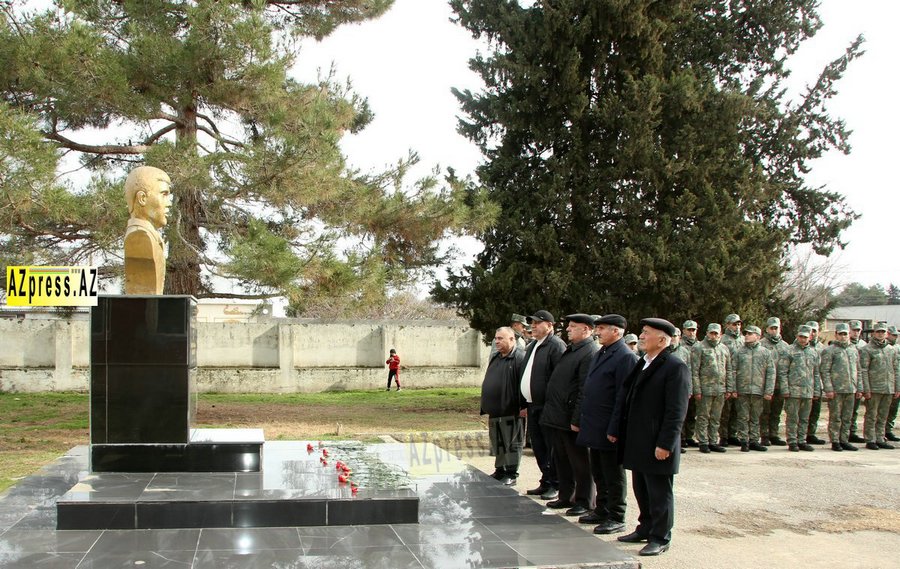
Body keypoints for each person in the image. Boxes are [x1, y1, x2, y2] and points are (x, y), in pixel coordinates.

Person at [615, 318, 690, 556]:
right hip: (639, 441)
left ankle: (660, 536)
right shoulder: (644, 362)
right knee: (642, 489)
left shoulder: (675, 366)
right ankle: (645, 527)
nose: (642, 336)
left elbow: (676, 410)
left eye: (647, 333)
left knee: (659, 493)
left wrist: (665, 443)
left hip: (658, 442)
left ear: (662, 339)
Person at [575, 314, 638, 535]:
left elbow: (623, 396)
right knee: (599, 471)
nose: (597, 332)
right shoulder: (602, 352)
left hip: (609, 426)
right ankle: (601, 509)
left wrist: (615, 427)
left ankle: (616, 515)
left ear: (616, 331)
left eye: (602, 328)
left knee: (613, 474)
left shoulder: (625, 357)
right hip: (595, 424)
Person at [540, 313, 599, 517]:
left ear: (586, 329)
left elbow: (584, 389)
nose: (568, 329)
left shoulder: (589, 352)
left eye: (573, 326)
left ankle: (584, 500)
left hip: (571, 418)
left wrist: (577, 419)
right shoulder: (572, 349)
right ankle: (566, 495)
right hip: (558, 416)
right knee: (562, 459)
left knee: (580, 463)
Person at [520, 310, 566, 499]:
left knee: (551, 447)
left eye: (538, 323)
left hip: (547, 406)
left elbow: (560, 379)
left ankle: (556, 483)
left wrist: (553, 405)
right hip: (532, 405)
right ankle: (546, 480)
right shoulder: (533, 345)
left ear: (549, 325)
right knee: (538, 447)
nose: (533, 326)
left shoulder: (556, 345)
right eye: (532, 322)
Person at [480, 327, 526, 484]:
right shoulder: (496, 356)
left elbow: (524, 384)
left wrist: (523, 406)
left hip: (511, 409)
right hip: (495, 409)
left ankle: (511, 474)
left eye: (501, 338)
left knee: (512, 442)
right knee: (498, 441)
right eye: (496, 338)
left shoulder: (520, 358)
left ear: (512, 339)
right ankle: (500, 470)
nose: (497, 341)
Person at [124, 166, 173, 294]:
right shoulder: (139, 236)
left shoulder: (152, 237)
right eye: (164, 194)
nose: (169, 203)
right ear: (142, 198)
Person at [731, 325, 775, 452]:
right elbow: (732, 371)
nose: (746, 336)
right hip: (742, 390)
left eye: (750, 334)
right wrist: (733, 388)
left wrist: (768, 391)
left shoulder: (765, 352)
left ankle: (754, 440)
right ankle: (744, 441)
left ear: (757, 336)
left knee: (756, 417)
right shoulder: (739, 352)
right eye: (746, 333)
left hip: (758, 390)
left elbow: (771, 372)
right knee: (743, 417)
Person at [691, 323, 733, 453]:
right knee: (703, 416)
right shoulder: (699, 347)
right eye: (711, 333)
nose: (713, 336)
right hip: (705, 389)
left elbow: (729, 369)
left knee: (716, 417)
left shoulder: (724, 348)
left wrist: (729, 388)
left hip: (720, 389)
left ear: (720, 334)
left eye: (716, 333)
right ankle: (703, 442)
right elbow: (694, 371)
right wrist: (697, 389)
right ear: (707, 333)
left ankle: (713, 441)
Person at [819, 323, 861, 451]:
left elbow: (858, 370)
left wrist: (859, 388)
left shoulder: (853, 350)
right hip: (836, 389)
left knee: (847, 417)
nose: (843, 336)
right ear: (836, 335)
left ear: (849, 334)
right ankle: (835, 441)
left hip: (851, 388)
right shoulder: (829, 351)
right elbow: (824, 371)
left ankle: (844, 440)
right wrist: (828, 388)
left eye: (845, 334)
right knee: (835, 417)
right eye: (841, 334)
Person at [858, 322, 900, 450]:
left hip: (888, 388)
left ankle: (880, 438)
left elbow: (896, 369)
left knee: (883, 415)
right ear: (873, 333)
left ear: (887, 334)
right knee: (871, 415)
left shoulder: (891, 350)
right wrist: (866, 389)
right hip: (874, 388)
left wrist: (897, 387)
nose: (881, 334)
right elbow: (863, 370)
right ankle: (870, 439)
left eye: (883, 332)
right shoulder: (867, 349)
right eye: (878, 332)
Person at [784, 325, 820, 452]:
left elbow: (816, 373)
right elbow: (783, 372)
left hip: (808, 391)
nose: (803, 339)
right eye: (800, 336)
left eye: (805, 337)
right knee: (793, 417)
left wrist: (816, 390)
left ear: (809, 337)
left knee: (805, 418)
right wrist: (785, 389)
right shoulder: (789, 351)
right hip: (793, 391)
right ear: (797, 336)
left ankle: (802, 440)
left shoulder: (813, 352)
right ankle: (792, 441)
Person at [759, 317, 792, 447]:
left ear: (780, 329)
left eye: (776, 328)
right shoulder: (761, 345)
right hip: (765, 385)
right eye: (771, 328)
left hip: (779, 384)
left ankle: (774, 434)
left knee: (776, 412)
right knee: (765, 412)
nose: (774, 330)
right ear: (767, 329)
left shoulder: (785, 346)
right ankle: (764, 435)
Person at [719, 314, 744, 446]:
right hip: (727, 377)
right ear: (727, 325)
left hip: (741, 379)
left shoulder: (743, 340)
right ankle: (723, 436)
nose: (737, 327)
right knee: (725, 410)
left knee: (736, 409)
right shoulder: (722, 340)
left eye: (739, 324)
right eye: (734, 324)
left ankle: (732, 434)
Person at [804, 321, 828, 445]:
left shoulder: (822, 348)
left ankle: (811, 434)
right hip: (803, 385)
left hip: (818, 384)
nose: (812, 333)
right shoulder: (799, 346)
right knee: (803, 413)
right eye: (810, 331)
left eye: (814, 330)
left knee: (815, 411)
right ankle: (800, 435)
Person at [679, 320, 700, 448]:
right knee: (683, 413)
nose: (691, 332)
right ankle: (681, 437)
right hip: (683, 383)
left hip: (695, 382)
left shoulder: (699, 345)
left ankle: (689, 436)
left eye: (694, 330)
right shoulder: (679, 345)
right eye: (689, 330)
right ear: (684, 330)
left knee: (693, 412)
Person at [847, 320, 868, 443]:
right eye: (853, 330)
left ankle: (852, 432)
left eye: (858, 330)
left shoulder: (863, 345)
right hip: (845, 383)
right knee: (843, 411)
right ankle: (842, 434)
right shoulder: (844, 343)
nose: (856, 332)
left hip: (858, 381)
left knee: (854, 410)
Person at [885, 325, 900, 442]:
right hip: (886, 382)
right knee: (883, 409)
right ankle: (880, 431)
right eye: (893, 335)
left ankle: (888, 430)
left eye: (896, 335)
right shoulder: (884, 347)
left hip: (897, 381)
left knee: (894, 409)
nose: (895, 337)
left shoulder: (898, 348)